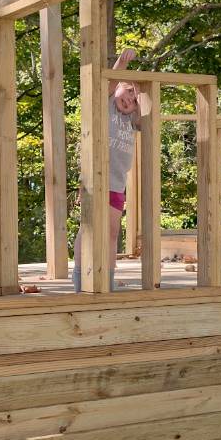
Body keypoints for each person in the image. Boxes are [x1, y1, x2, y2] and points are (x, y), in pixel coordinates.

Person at [73, 48, 140, 292]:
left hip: (116, 184)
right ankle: (81, 280)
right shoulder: (106, 105)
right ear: (118, 88)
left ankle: (108, 281)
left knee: (112, 233)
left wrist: (141, 91)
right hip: (94, 179)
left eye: (134, 100)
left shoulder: (131, 120)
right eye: (128, 92)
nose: (129, 100)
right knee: (89, 229)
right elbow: (108, 85)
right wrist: (121, 64)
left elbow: (147, 113)